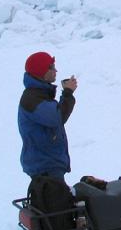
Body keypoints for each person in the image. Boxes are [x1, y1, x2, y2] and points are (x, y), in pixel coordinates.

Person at [18, 51, 78, 181]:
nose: (55, 70)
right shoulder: (33, 99)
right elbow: (57, 117)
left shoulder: (38, 94)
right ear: (42, 71)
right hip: (45, 166)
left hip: (47, 163)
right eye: (51, 67)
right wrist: (67, 93)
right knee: (53, 198)